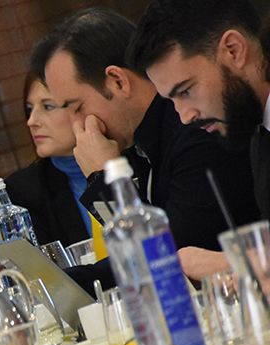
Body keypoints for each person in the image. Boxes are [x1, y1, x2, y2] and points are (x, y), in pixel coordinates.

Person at [30, 7, 259, 268]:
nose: (76, 127)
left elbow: (160, 261)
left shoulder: (199, 128)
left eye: (77, 108)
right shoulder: (137, 143)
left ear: (117, 81)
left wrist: (105, 178)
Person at [127, 0, 270, 280]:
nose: (184, 116)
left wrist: (231, 263)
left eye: (186, 91)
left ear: (233, 50)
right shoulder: (256, 132)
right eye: (172, 101)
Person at [6, 71, 91, 247]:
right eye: (29, 109)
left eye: (48, 107)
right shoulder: (24, 191)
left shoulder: (137, 161)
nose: (31, 121)